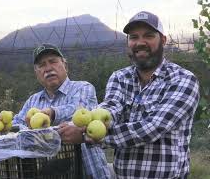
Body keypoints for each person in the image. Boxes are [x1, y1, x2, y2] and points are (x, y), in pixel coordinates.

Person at [82, 11, 199, 178]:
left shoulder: (183, 80)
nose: (140, 43)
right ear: (128, 42)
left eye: (149, 36)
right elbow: (111, 107)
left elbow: (154, 127)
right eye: (134, 37)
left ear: (163, 40)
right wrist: (91, 123)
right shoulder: (119, 77)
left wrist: (96, 136)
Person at [12, 43, 111, 178]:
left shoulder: (83, 88)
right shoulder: (33, 101)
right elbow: (16, 125)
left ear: (65, 66)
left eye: (52, 61)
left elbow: (81, 110)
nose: (48, 68)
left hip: (88, 172)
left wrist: (53, 113)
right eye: (41, 65)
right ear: (37, 74)